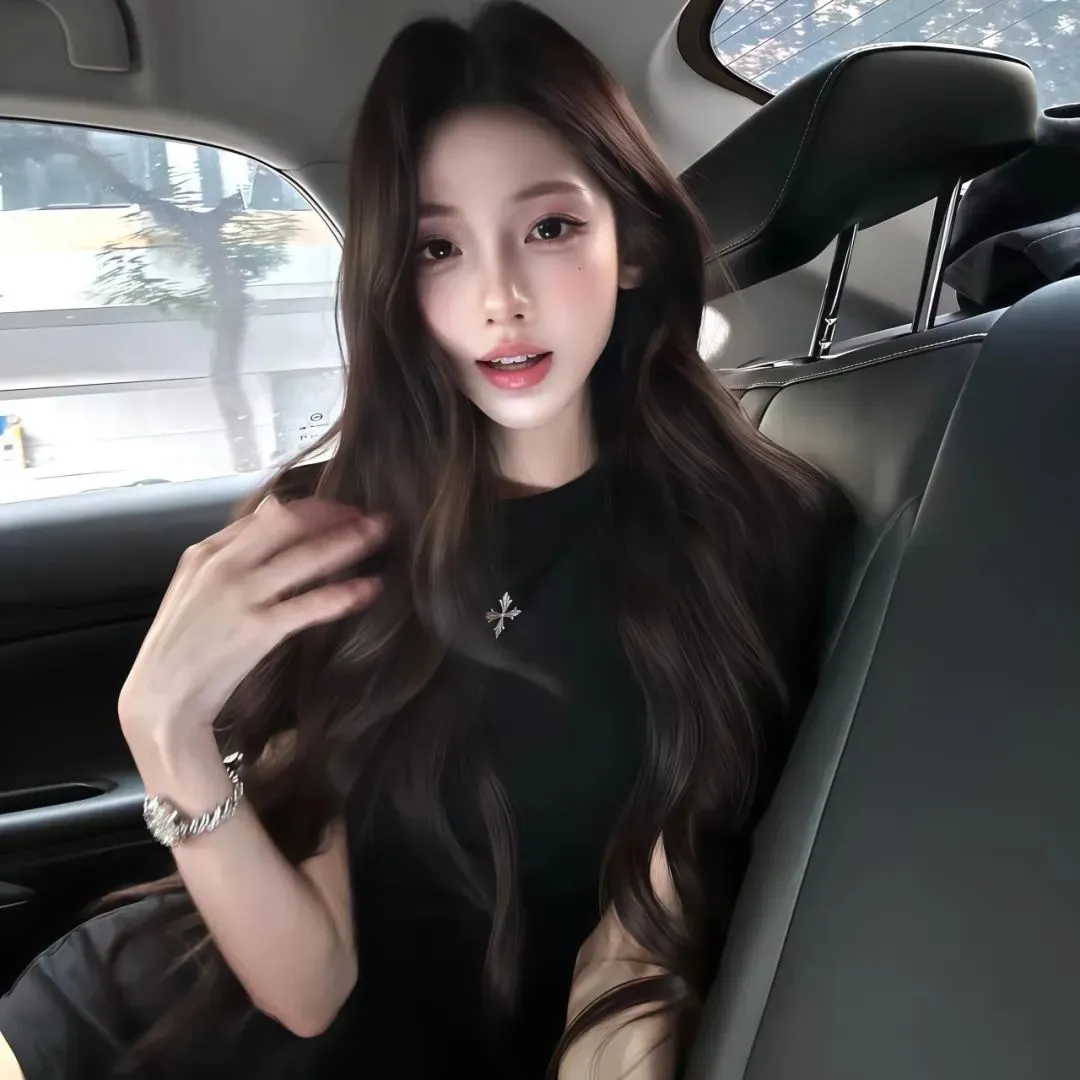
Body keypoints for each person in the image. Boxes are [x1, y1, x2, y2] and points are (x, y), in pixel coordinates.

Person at [0, 3, 846, 1078]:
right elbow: (307, 989)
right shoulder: (324, 528)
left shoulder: (750, 529)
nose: (501, 299)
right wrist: (165, 729)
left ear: (632, 246)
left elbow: (650, 937)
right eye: (438, 247)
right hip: (159, 1017)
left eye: (550, 229)